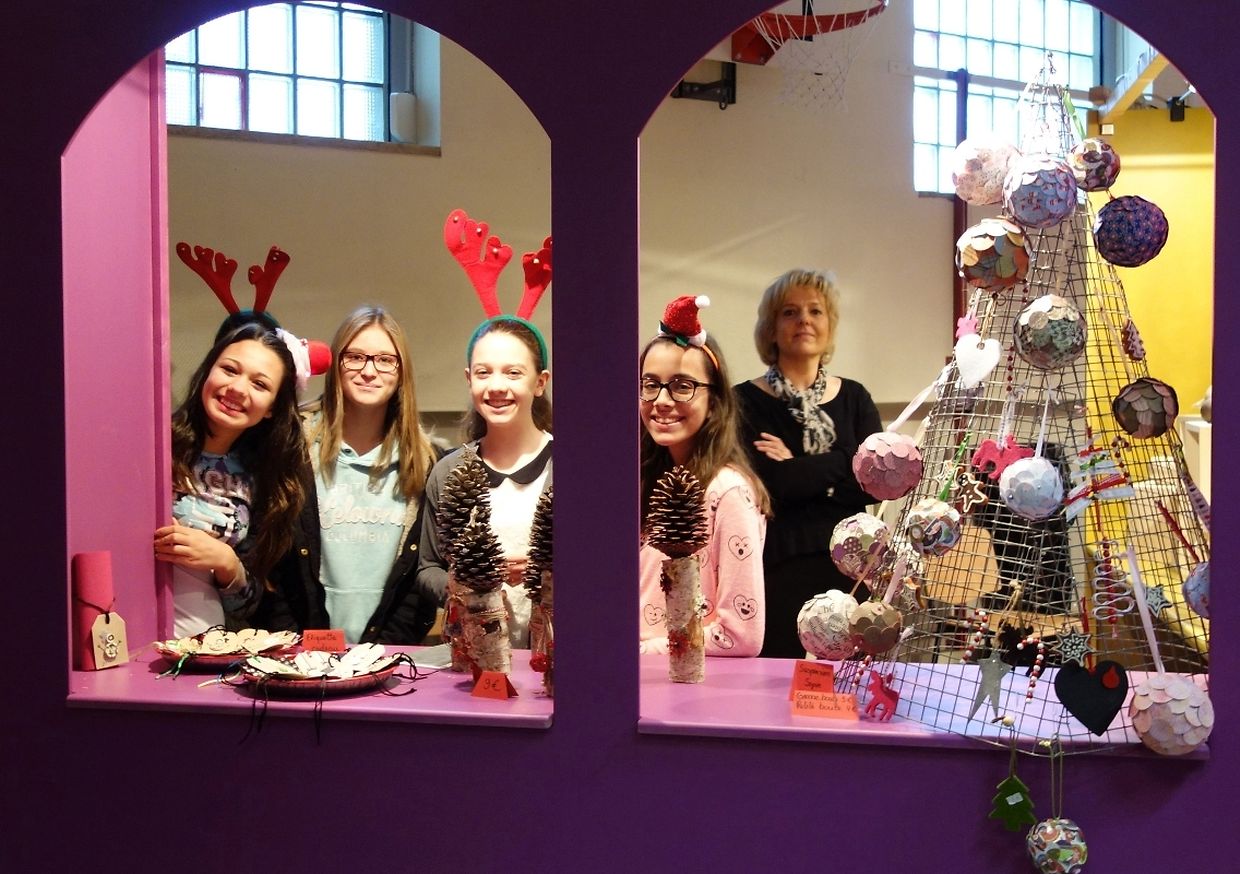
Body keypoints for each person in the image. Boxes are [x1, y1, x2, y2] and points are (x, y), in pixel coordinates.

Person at [255, 306, 441, 644]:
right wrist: (297, 647)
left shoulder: (428, 462)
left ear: (402, 372)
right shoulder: (293, 448)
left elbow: (419, 578)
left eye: (385, 360)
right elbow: (273, 561)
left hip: (389, 654)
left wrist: (384, 652)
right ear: (337, 365)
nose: (369, 371)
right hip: (299, 652)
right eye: (355, 357)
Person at [735, 269, 882, 659]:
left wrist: (797, 466)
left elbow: (874, 485)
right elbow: (770, 486)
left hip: (851, 570)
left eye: (815, 311)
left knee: (848, 685)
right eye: (790, 312)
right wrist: (844, 462)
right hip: (777, 568)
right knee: (776, 685)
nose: (804, 320)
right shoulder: (742, 402)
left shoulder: (855, 398)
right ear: (771, 328)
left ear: (829, 325)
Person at [154, 321, 306, 638]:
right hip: (130, 628)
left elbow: (249, 607)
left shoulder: (265, 482)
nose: (237, 388)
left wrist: (227, 563)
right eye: (229, 370)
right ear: (208, 371)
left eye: (259, 384)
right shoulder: (154, 444)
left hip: (204, 644)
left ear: (272, 408)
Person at [639, 296, 770, 657]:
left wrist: (639, 652)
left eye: (682, 386)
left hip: (688, 683)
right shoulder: (644, 483)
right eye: (650, 384)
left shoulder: (728, 492)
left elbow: (740, 634)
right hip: (632, 679)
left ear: (714, 401)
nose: (661, 400)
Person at [417, 316, 553, 648]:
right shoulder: (449, 471)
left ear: (540, 382)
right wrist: (468, 585)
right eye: (483, 372)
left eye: (513, 372)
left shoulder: (574, 468)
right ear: (469, 380)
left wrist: (545, 572)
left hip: (557, 659)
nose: (496, 386)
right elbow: (427, 568)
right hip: (471, 657)